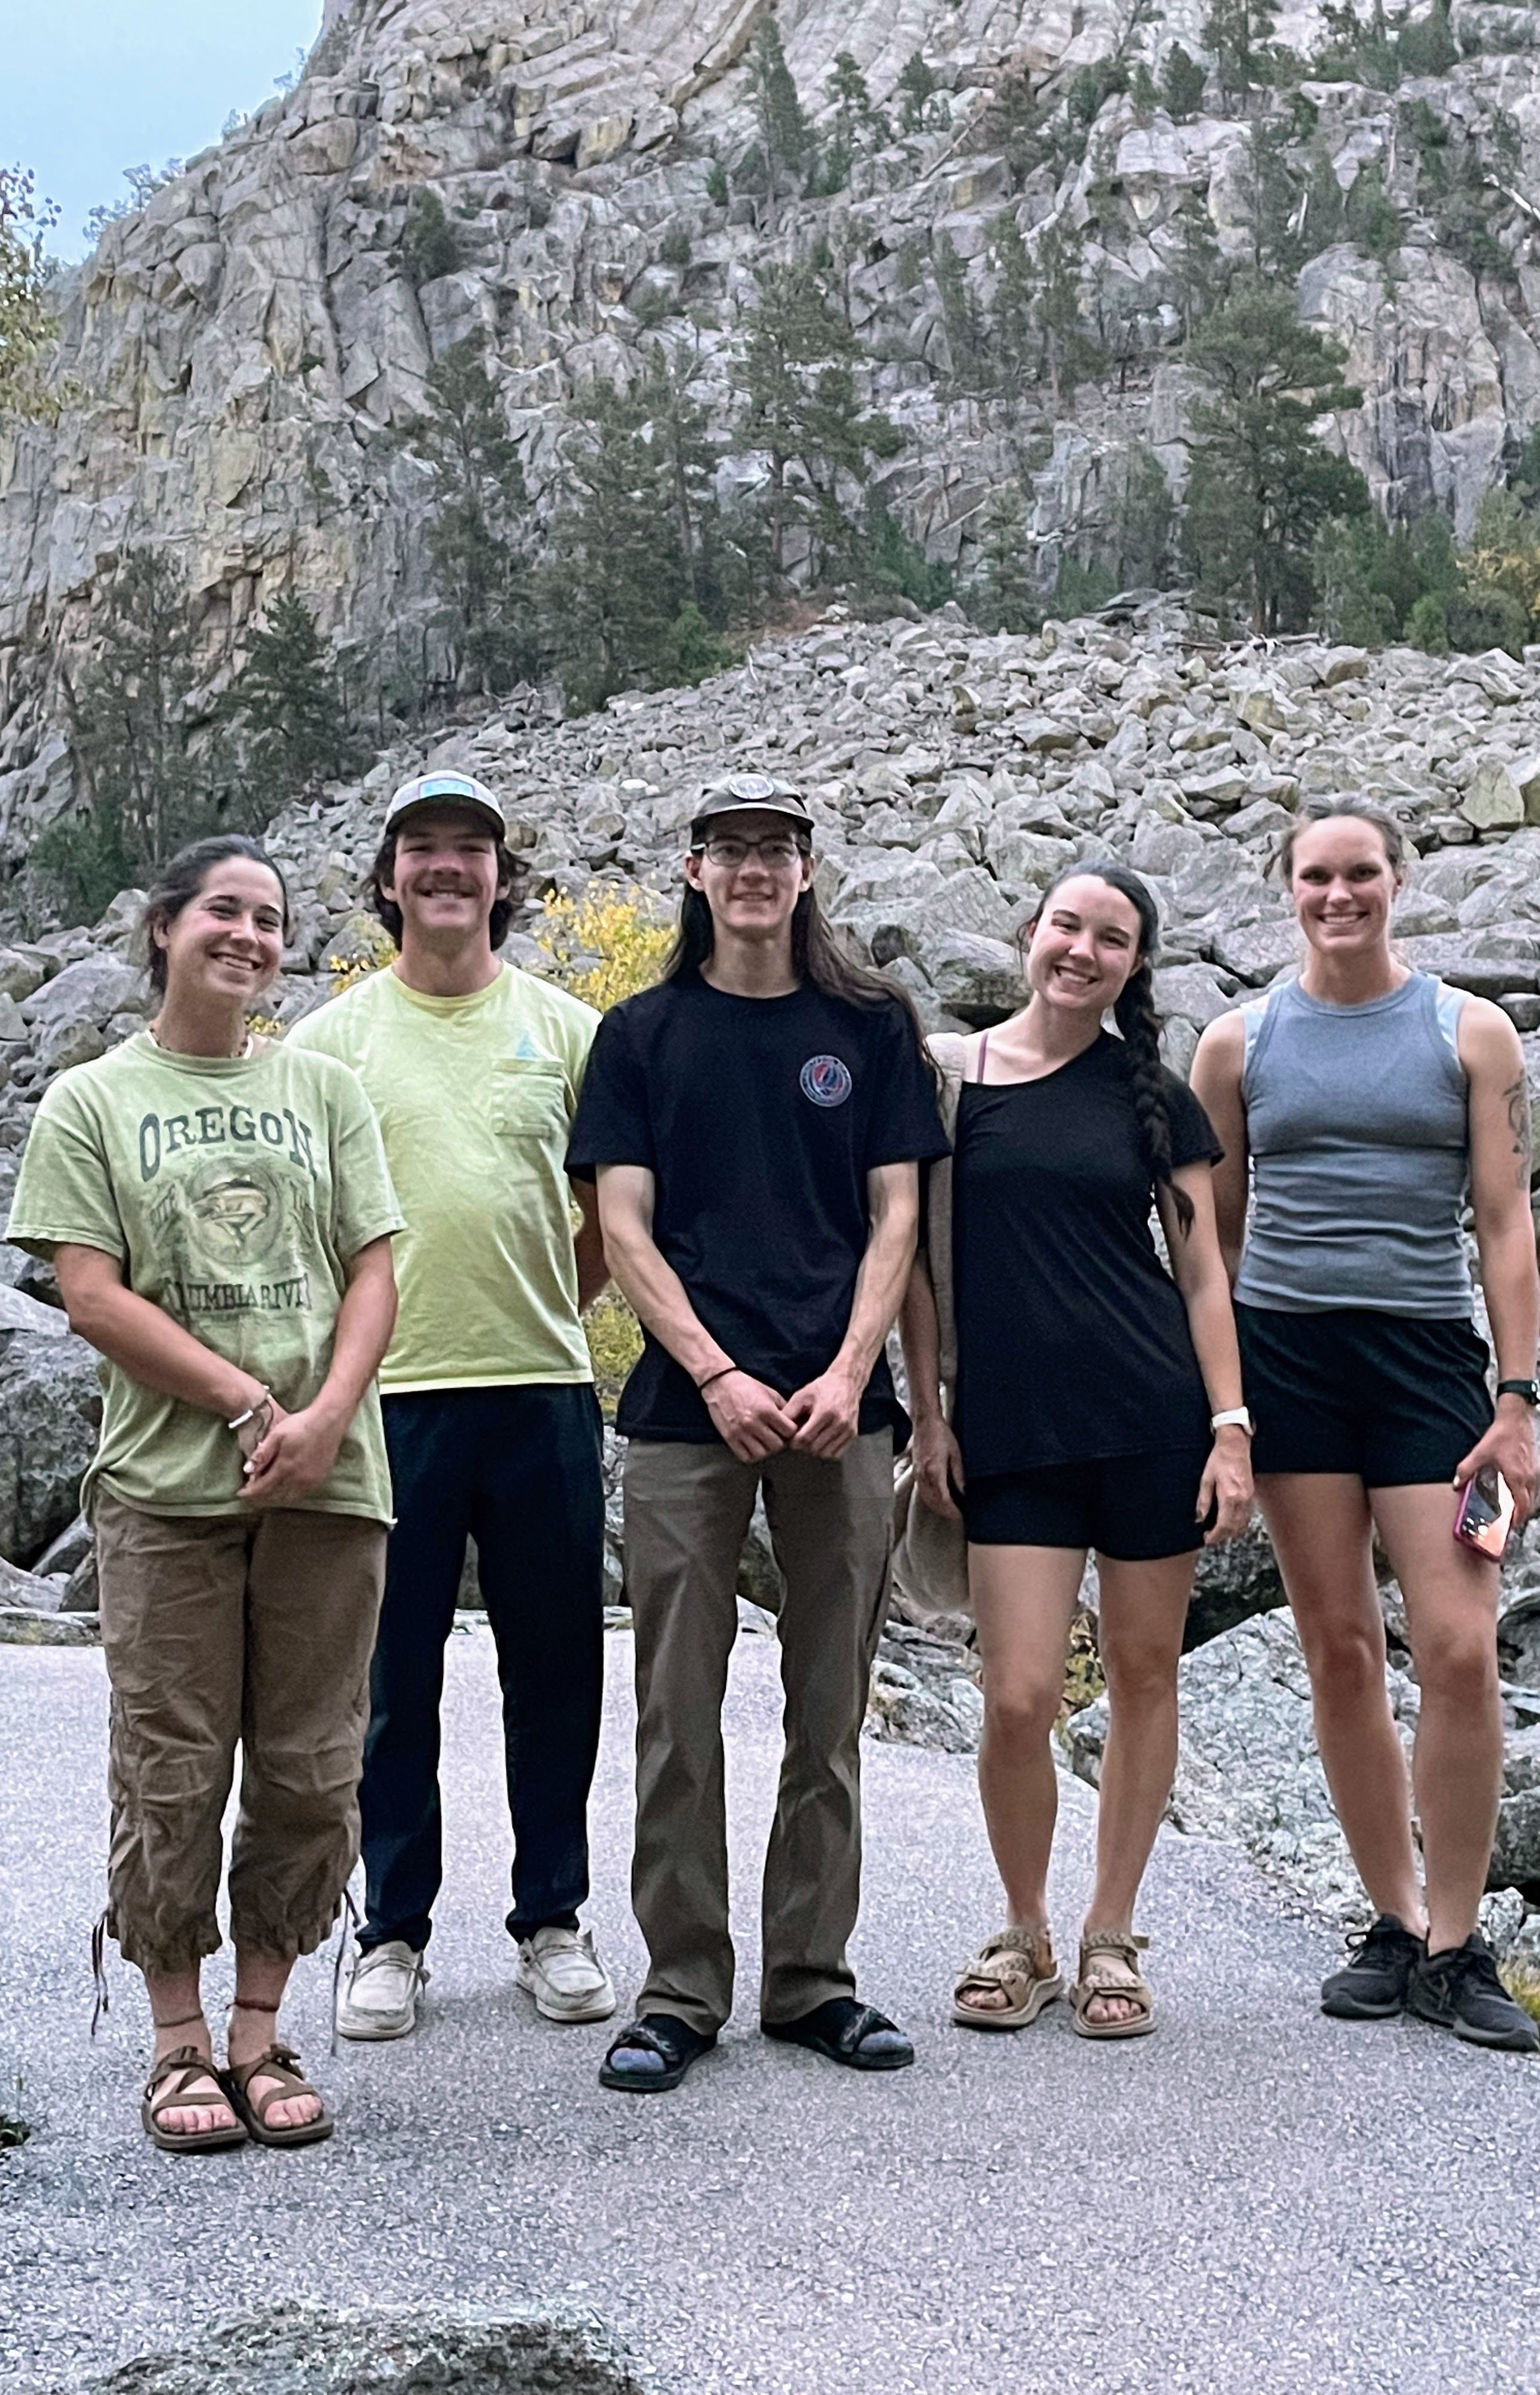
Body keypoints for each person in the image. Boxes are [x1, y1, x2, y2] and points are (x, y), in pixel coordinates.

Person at [8, 836, 404, 2153]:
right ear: (165, 927)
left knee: (311, 1761)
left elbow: (373, 1268)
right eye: (224, 912)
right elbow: (90, 1293)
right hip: (167, 1485)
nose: (249, 936)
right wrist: (246, 1403)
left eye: (271, 920)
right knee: (171, 1764)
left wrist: (326, 1417)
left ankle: (261, 2030)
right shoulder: (93, 1101)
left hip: (330, 1478)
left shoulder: (324, 1088)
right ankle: (177, 2040)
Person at [565, 773, 948, 2094]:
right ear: (694, 870)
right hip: (689, 1415)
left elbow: (899, 1219)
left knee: (828, 1708)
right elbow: (623, 1228)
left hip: (843, 1413)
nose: (754, 870)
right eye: (730, 849)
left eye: (776, 849)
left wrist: (850, 1372)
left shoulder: (869, 1027)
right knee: (677, 1711)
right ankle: (680, 1989)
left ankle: (810, 1980)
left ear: (806, 870)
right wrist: (719, 1373)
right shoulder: (641, 1035)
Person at [1191, 797, 1540, 2052]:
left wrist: (1518, 1398)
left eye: (1360, 874)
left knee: (1458, 1647)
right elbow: (1213, 1241)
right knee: (1339, 1646)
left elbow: (1504, 1221)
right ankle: (1393, 1920)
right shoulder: (1238, 1044)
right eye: (1315, 877)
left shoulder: (1470, 1031)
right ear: (1287, 889)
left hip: (1429, 1364)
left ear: (1401, 879)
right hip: (1289, 1361)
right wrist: (1224, 1409)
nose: (1338, 896)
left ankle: (1458, 1939)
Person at [287, 770, 615, 2040]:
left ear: (499, 878)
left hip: (541, 1389)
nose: (446, 867)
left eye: (470, 848)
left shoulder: (567, 1030)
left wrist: (553, 1299)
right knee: (390, 1680)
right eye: (421, 847)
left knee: (557, 1670)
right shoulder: (328, 1046)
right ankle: (390, 1933)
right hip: (389, 1400)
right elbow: (306, 1230)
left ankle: (553, 1920)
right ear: (387, 880)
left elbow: (615, 1214)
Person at [900, 864, 1253, 2039]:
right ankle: (1024, 1928)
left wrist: (1230, 1428)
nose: (1083, 951)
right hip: (1010, 1432)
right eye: (1068, 926)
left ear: (1135, 964)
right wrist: (928, 1416)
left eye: (1112, 938)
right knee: (1018, 1696)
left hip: (1152, 1420)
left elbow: (1202, 1278)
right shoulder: (952, 1081)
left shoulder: (1153, 1095)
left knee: (1146, 1678)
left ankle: (1110, 1933)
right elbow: (913, 1269)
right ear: (1030, 933)